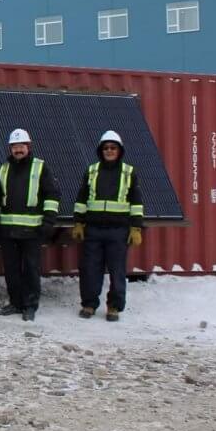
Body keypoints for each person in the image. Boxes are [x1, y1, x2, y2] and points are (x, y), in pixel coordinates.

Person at [72, 130, 144, 322]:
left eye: (113, 148)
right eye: (106, 148)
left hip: (118, 231)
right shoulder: (91, 170)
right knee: (90, 269)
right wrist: (79, 222)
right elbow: (81, 199)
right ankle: (89, 304)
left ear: (119, 150)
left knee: (117, 270)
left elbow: (136, 201)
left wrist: (136, 227)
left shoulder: (129, 172)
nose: (109, 151)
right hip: (93, 229)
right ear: (100, 150)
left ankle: (114, 307)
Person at [0, 129, 61, 322]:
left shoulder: (40, 167)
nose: (18, 150)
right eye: (15, 146)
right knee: (11, 270)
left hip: (33, 231)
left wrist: (48, 221)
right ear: (10, 148)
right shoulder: (3, 169)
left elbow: (52, 194)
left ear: (28, 147)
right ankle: (15, 303)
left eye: (21, 146)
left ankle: (30, 306)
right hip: (8, 231)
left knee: (31, 269)